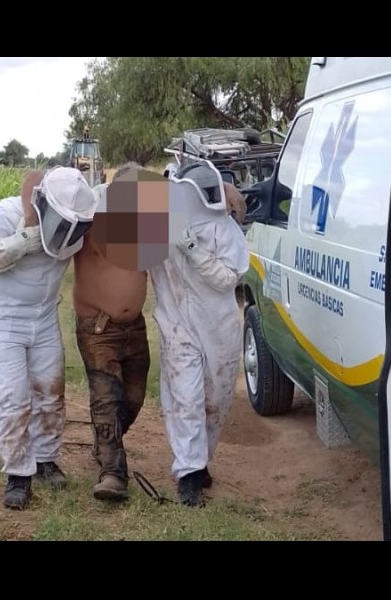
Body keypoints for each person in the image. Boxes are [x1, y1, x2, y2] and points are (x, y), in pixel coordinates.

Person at [0, 166, 98, 511]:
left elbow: (132, 204)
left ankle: (46, 459)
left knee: (51, 393)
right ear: (46, 205)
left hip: (43, 317)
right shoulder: (6, 214)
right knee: (13, 398)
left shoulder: (81, 215)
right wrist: (19, 243)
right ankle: (18, 475)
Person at [20, 162, 151, 502]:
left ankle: (104, 442)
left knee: (133, 398)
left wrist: (223, 190)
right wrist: (30, 217)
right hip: (98, 328)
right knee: (106, 399)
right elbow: (37, 180)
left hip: (134, 329)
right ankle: (112, 473)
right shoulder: (88, 218)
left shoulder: (149, 223)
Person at [149, 159, 250, 507]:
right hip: (176, 323)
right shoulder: (158, 222)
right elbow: (120, 200)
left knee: (215, 398)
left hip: (218, 326)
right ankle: (188, 471)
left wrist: (193, 249)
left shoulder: (223, 228)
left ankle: (200, 459)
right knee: (185, 396)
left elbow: (228, 278)